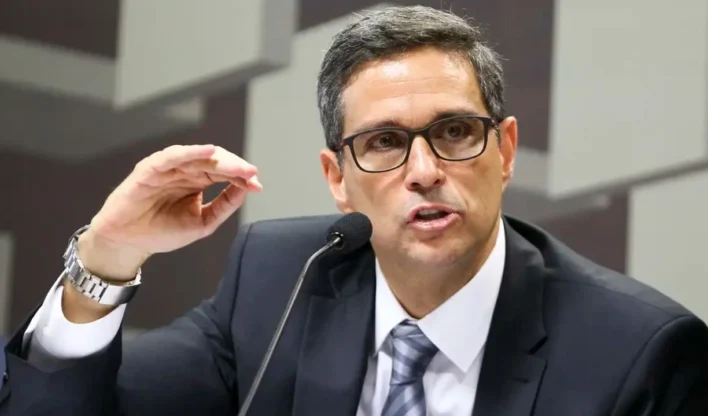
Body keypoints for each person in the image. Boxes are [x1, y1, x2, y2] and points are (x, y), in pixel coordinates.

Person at [1, 5, 707, 416]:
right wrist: (106, 258)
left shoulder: (639, 354)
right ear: (337, 178)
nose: (424, 171)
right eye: (385, 143)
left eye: (455, 132)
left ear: (506, 150)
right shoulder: (285, 280)